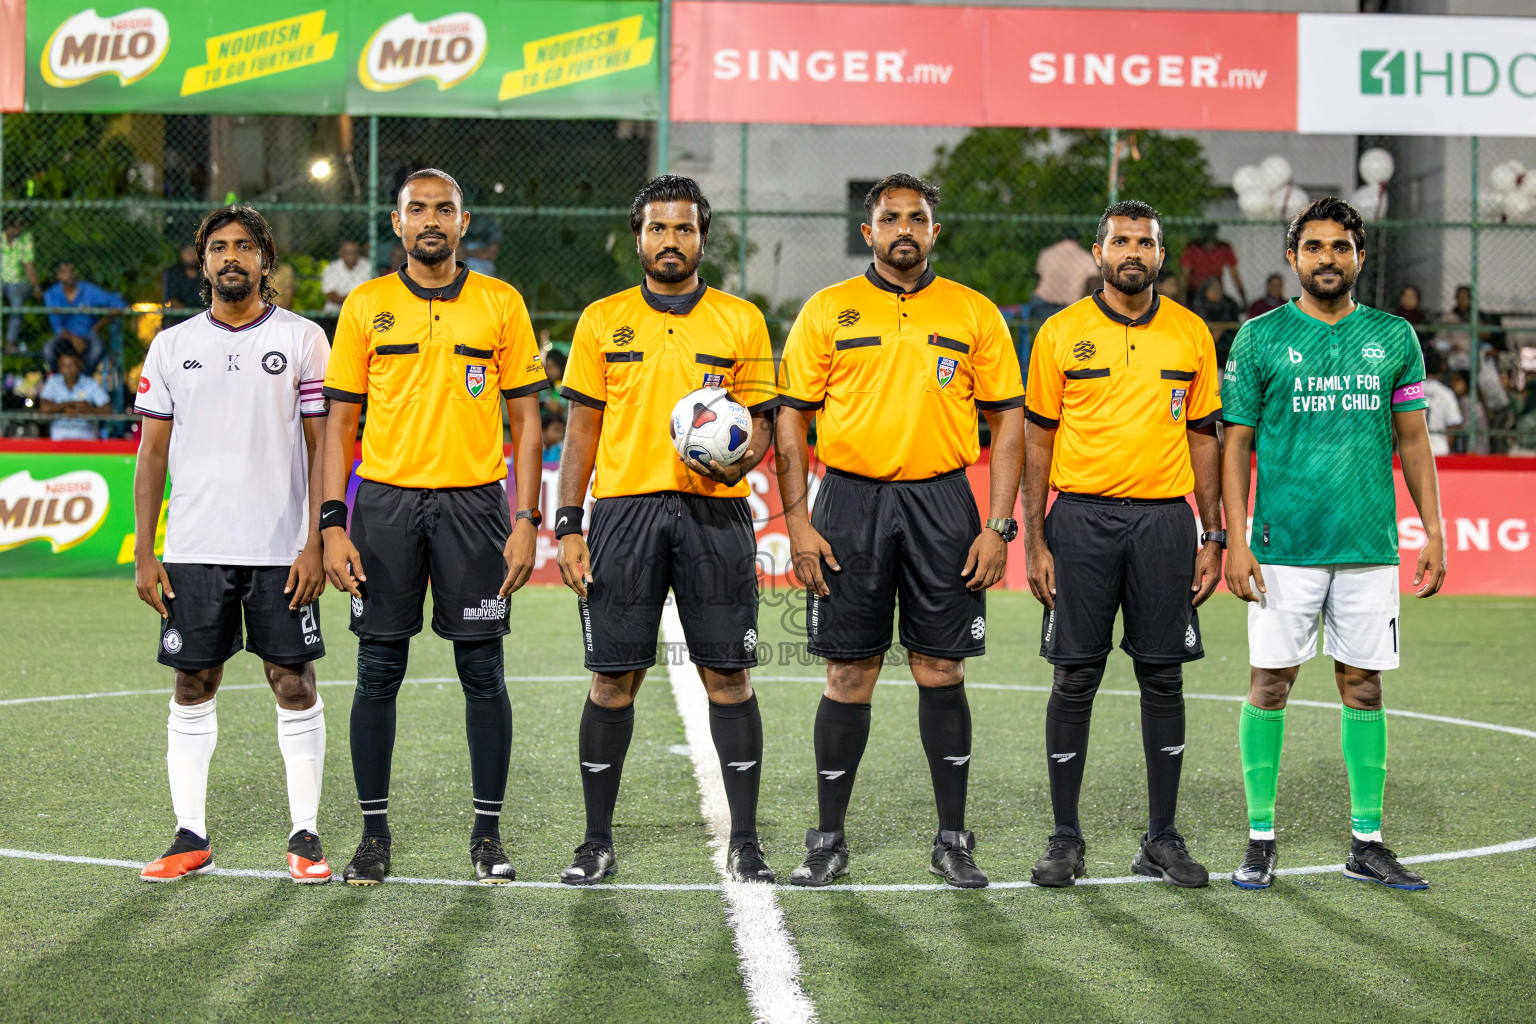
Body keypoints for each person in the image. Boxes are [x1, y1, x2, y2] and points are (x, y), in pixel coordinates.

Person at [776, 173, 1026, 889]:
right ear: (869, 232)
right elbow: (791, 417)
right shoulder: (828, 310)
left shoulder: (974, 313)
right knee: (849, 672)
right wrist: (798, 521)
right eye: (891, 218)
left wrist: (998, 525)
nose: (904, 229)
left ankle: (953, 839)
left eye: (917, 218)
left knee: (940, 668)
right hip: (849, 504)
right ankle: (826, 839)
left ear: (935, 232)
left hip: (945, 504)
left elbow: (1008, 420)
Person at [320, 168, 549, 886]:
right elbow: (340, 425)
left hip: (477, 508)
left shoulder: (500, 303)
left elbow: (527, 421)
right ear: (396, 223)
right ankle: (372, 837)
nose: (430, 220)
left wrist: (525, 517)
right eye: (416, 209)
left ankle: (487, 836)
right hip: (384, 507)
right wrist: (332, 523)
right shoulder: (365, 304)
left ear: (463, 219)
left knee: (483, 673)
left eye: (443, 209)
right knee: (377, 671)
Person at [554, 175, 779, 885]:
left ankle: (745, 840)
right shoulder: (601, 320)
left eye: (684, 229)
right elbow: (581, 430)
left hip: (716, 511)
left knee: (729, 677)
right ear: (639, 238)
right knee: (613, 679)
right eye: (658, 228)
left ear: (702, 237)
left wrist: (744, 455)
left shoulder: (742, 319)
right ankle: (595, 841)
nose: (671, 241)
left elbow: (765, 421)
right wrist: (568, 525)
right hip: (623, 513)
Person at [1222, 196, 1446, 891]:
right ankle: (1260, 838)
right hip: (1283, 543)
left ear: (1360, 258)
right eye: (1314, 247)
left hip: (1367, 543)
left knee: (1364, 686)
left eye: (1341, 248)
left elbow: (1413, 441)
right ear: (1292, 258)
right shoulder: (1259, 338)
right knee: (1270, 684)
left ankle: (1367, 842)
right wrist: (1236, 537)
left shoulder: (1394, 337)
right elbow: (1236, 446)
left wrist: (1432, 528)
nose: (1328, 258)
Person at [1023, 199, 1224, 890]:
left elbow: (1204, 436)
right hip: (1080, 522)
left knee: (1162, 677)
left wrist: (1213, 531)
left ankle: (1162, 839)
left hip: (1166, 524)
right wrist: (1036, 538)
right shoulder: (1060, 333)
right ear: (1100, 253)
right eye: (1120, 241)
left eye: (1145, 241)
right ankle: (1064, 839)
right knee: (1075, 677)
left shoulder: (1192, 333)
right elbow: (1038, 436)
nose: (1132, 251)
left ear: (1161, 255)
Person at [130, 204, 332, 884]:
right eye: (219, 248)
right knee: (194, 681)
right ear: (203, 262)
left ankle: (305, 834)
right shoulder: (171, 345)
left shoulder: (306, 340)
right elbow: (151, 452)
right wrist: (145, 550)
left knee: (293, 682)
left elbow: (321, 446)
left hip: (281, 548)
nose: (232, 258)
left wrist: (316, 542)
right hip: (193, 545)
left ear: (266, 261)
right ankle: (191, 835)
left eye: (245, 247)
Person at [41, 262, 125, 375]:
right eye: (65, 272)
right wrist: (73, 338)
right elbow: (57, 326)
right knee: (48, 350)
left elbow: (119, 303)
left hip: (88, 334)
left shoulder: (88, 290)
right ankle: (60, 380)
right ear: (58, 276)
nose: (70, 275)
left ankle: (84, 379)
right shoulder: (51, 294)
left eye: (72, 271)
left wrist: (100, 324)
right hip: (65, 335)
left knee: (97, 348)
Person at [37, 348, 109, 440]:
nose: (68, 370)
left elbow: (107, 409)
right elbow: (44, 408)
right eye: (64, 366)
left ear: (79, 365)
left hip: (86, 438)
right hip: (59, 439)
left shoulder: (90, 383)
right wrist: (69, 405)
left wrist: (87, 411)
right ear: (59, 366)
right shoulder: (53, 382)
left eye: (71, 366)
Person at [1032, 230, 1100, 322]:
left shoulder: (1046, 253)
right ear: (1078, 240)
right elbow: (1093, 282)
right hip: (1070, 305)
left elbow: (1039, 276)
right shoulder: (1086, 257)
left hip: (1042, 301)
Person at [1179, 223, 1245, 307]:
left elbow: (1234, 275)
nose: (1209, 237)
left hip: (1216, 290)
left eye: (1211, 233)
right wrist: (1182, 300)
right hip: (1196, 291)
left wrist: (1243, 298)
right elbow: (1184, 276)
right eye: (1206, 233)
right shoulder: (1193, 248)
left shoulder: (1224, 248)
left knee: (1231, 307)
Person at [2, 214, 41, 349]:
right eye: (16, 226)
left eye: (20, 226)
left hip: (18, 281)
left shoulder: (26, 238)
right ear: (8, 227)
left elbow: (28, 264)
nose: (19, 229)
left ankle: (10, 342)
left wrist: (35, 286)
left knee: (16, 305)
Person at [1421, 348, 1463, 456]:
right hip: (1438, 450)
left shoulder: (1410, 390)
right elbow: (1453, 426)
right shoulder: (1446, 393)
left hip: (1412, 450)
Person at [1192, 277, 1241, 365]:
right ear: (1205, 290)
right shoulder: (1199, 302)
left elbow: (1236, 324)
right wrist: (1222, 326)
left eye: (1219, 288)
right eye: (1213, 289)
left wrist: (1220, 328)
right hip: (1205, 335)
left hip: (1226, 336)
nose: (1218, 292)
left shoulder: (1227, 302)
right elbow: (1201, 324)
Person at [321, 239, 371, 314]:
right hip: (335, 314)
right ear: (340, 253)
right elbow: (331, 297)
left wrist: (344, 298)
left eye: (354, 252)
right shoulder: (331, 268)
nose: (351, 256)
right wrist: (356, 299)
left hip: (361, 312)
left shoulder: (368, 266)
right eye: (347, 252)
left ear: (358, 254)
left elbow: (371, 294)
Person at [162, 245, 204, 324]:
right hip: (181, 316)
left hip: (204, 314)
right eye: (188, 252)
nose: (192, 255)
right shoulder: (173, 273)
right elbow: (172, 300)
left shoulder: (207, 272)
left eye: (194, 252)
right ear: (181, 254)